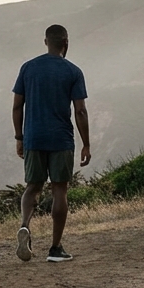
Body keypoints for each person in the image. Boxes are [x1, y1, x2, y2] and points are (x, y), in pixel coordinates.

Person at [13, 24, 91, 263]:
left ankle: (25, 225)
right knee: (59, 190)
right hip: (61, 138)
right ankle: (55, 248)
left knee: (32, 186)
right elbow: (80, 111)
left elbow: (17, 107)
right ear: (66, 43)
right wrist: (86, 144)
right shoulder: (73, 71)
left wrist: (19, 137)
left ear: (45, 42)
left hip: (33, 137)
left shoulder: (28, 68)